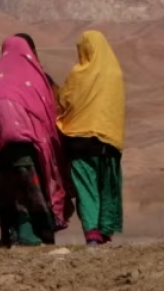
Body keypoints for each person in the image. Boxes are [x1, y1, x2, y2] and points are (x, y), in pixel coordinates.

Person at [0, 35, 71, 248]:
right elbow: (47, 111)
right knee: (29, 188)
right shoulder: (34, 76)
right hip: (27, 142)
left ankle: (11, 234)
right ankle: (33, 232)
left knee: (7, 189)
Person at [56, 30, 126, 246]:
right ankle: (105, 230)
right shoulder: (116, 74)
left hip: (80, 140)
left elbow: (65, 101)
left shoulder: (78, 74)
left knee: (86, 188)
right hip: (109, 140)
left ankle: (92, 233)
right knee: (108, 186)